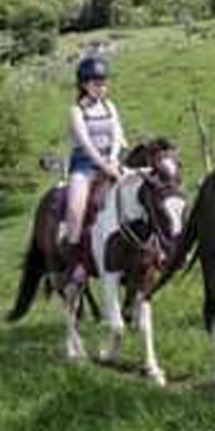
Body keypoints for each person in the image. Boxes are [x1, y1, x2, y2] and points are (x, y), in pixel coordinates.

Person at [60, 54, 128, 285]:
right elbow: (86, 144)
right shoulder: (76, 111)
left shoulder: (110, 106)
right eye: (96, 83)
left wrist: (113, 159)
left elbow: (118, 135)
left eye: (104, 83)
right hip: (85, 165)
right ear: (84, 84)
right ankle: (76, 261)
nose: (102, 88)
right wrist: (103, 165)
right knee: (74, 206)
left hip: (112, 160)